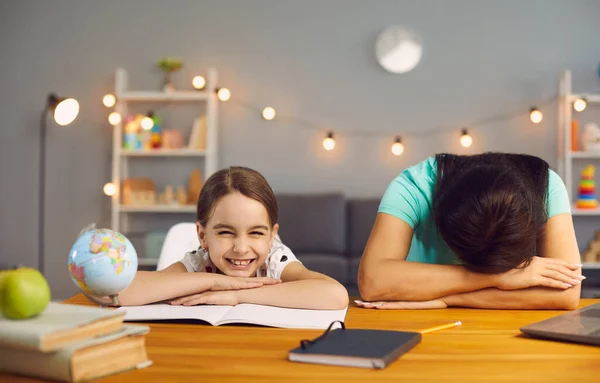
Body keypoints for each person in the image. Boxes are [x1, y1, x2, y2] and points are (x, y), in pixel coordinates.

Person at [357, 152, 583, 310]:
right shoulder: (414, 185)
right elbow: (373, 282)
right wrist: (502, 277)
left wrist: (449, 299)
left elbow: (568, 294)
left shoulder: (547, 186)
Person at [118, 166, 348, 310]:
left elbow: (335, 294)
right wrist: (215, 282)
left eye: (256, 233)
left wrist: (237, 295)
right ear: (202, 236)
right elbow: (121, 291)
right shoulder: (200, 263)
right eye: (226, 232)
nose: (240, 248)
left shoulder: (275, 259)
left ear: (271, 237)